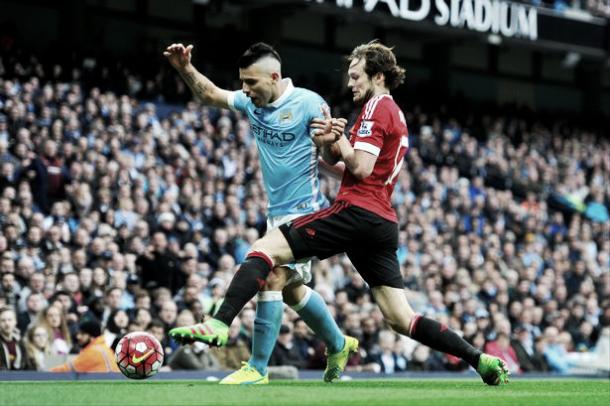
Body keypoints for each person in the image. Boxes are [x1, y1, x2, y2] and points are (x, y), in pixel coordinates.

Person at [170, 40, 509, 386]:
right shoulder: (392, 112)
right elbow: (350, 167)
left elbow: (359, 167)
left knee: (264, 251)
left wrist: (340, 140)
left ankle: (221, 325)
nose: (350, 84)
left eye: (356, 75)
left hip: (355, 211)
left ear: (377, 76)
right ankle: (479, 359)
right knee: (400, 317)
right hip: (380, 222)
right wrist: (327, 147)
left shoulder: (377, 107)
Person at [163, 41, 353, 384]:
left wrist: (328, 142)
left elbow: (335, 156)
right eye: (242, 81)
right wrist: (184, 68)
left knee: (273, 277)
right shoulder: (253, 103)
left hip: (306, 212)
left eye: (251, 82)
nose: (245, 89)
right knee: (293, 291)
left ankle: (257, 368)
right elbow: (211, 95)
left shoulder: (309, 103)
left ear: (275, 76)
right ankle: (339, 344)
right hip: (275, 213)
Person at [50, 320, 119, 373]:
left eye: (82, 334)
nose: (78, 337)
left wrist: (46, 373)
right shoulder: (105, 348)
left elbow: (67, 369)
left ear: (91, 336)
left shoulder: (93, 351)